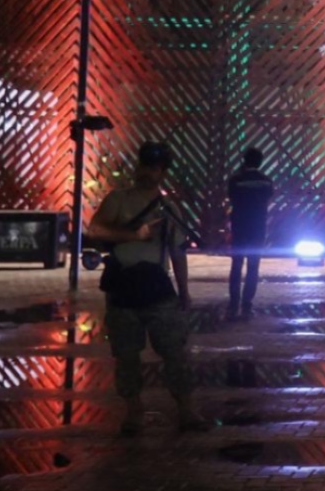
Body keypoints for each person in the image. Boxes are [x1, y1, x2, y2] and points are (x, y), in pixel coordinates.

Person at [89, 141, 204, 435]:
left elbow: (177, 251)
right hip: (123, 286)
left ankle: (186, 409)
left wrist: (184, 290)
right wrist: (133, 235)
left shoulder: (169, 209)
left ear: (162, 172)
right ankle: (134, 412)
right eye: (145, 166)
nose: (147, 172)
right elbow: (96, 230)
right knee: (126, 356)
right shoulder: (118, 200)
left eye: (154, 168)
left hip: (156, 286)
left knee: (175, 352)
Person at [225, 147, 275, 321]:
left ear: (244, 160)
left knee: (236, 265)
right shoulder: (266, 181)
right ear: (260, 162)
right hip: (257, 227)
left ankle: (233, 303)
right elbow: (268, 198)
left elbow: (231, 197)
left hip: (239, 226)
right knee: (253, 266)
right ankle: (247, 304)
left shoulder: (236, 180)